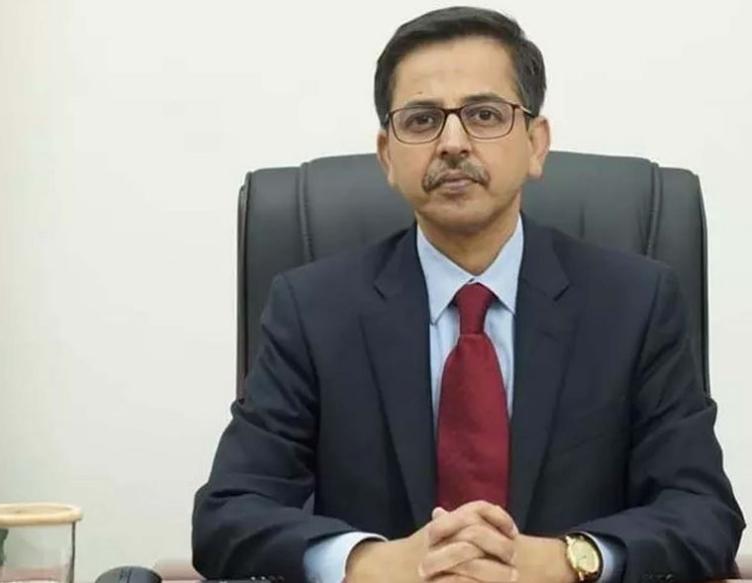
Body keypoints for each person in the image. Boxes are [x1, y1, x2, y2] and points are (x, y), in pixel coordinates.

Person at [192, 7, 744, 583]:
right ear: (387, 155)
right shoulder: (312, 311)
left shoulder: (635, 303)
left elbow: (702, 511)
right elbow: (228, 515)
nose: (453, 143)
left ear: (536, 144)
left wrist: (566, 560)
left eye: (484, 115)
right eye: (422, 120)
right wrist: (370, 562)